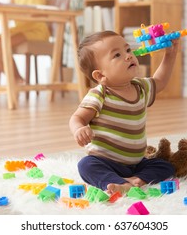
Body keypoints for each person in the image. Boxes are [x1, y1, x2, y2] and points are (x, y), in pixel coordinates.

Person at [69, 30, 179, 195]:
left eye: (127, 50)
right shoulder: (100, 94)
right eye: (117, 55)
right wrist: (79, 129)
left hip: (136, 163)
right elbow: (77, 117)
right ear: (100, 75)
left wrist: (170, 54)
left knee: (166, 166)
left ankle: (135, 181)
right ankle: (116, 182)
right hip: (105, 161)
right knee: (86, 166)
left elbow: (160, 81)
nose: (128, 56)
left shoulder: (141, 87)